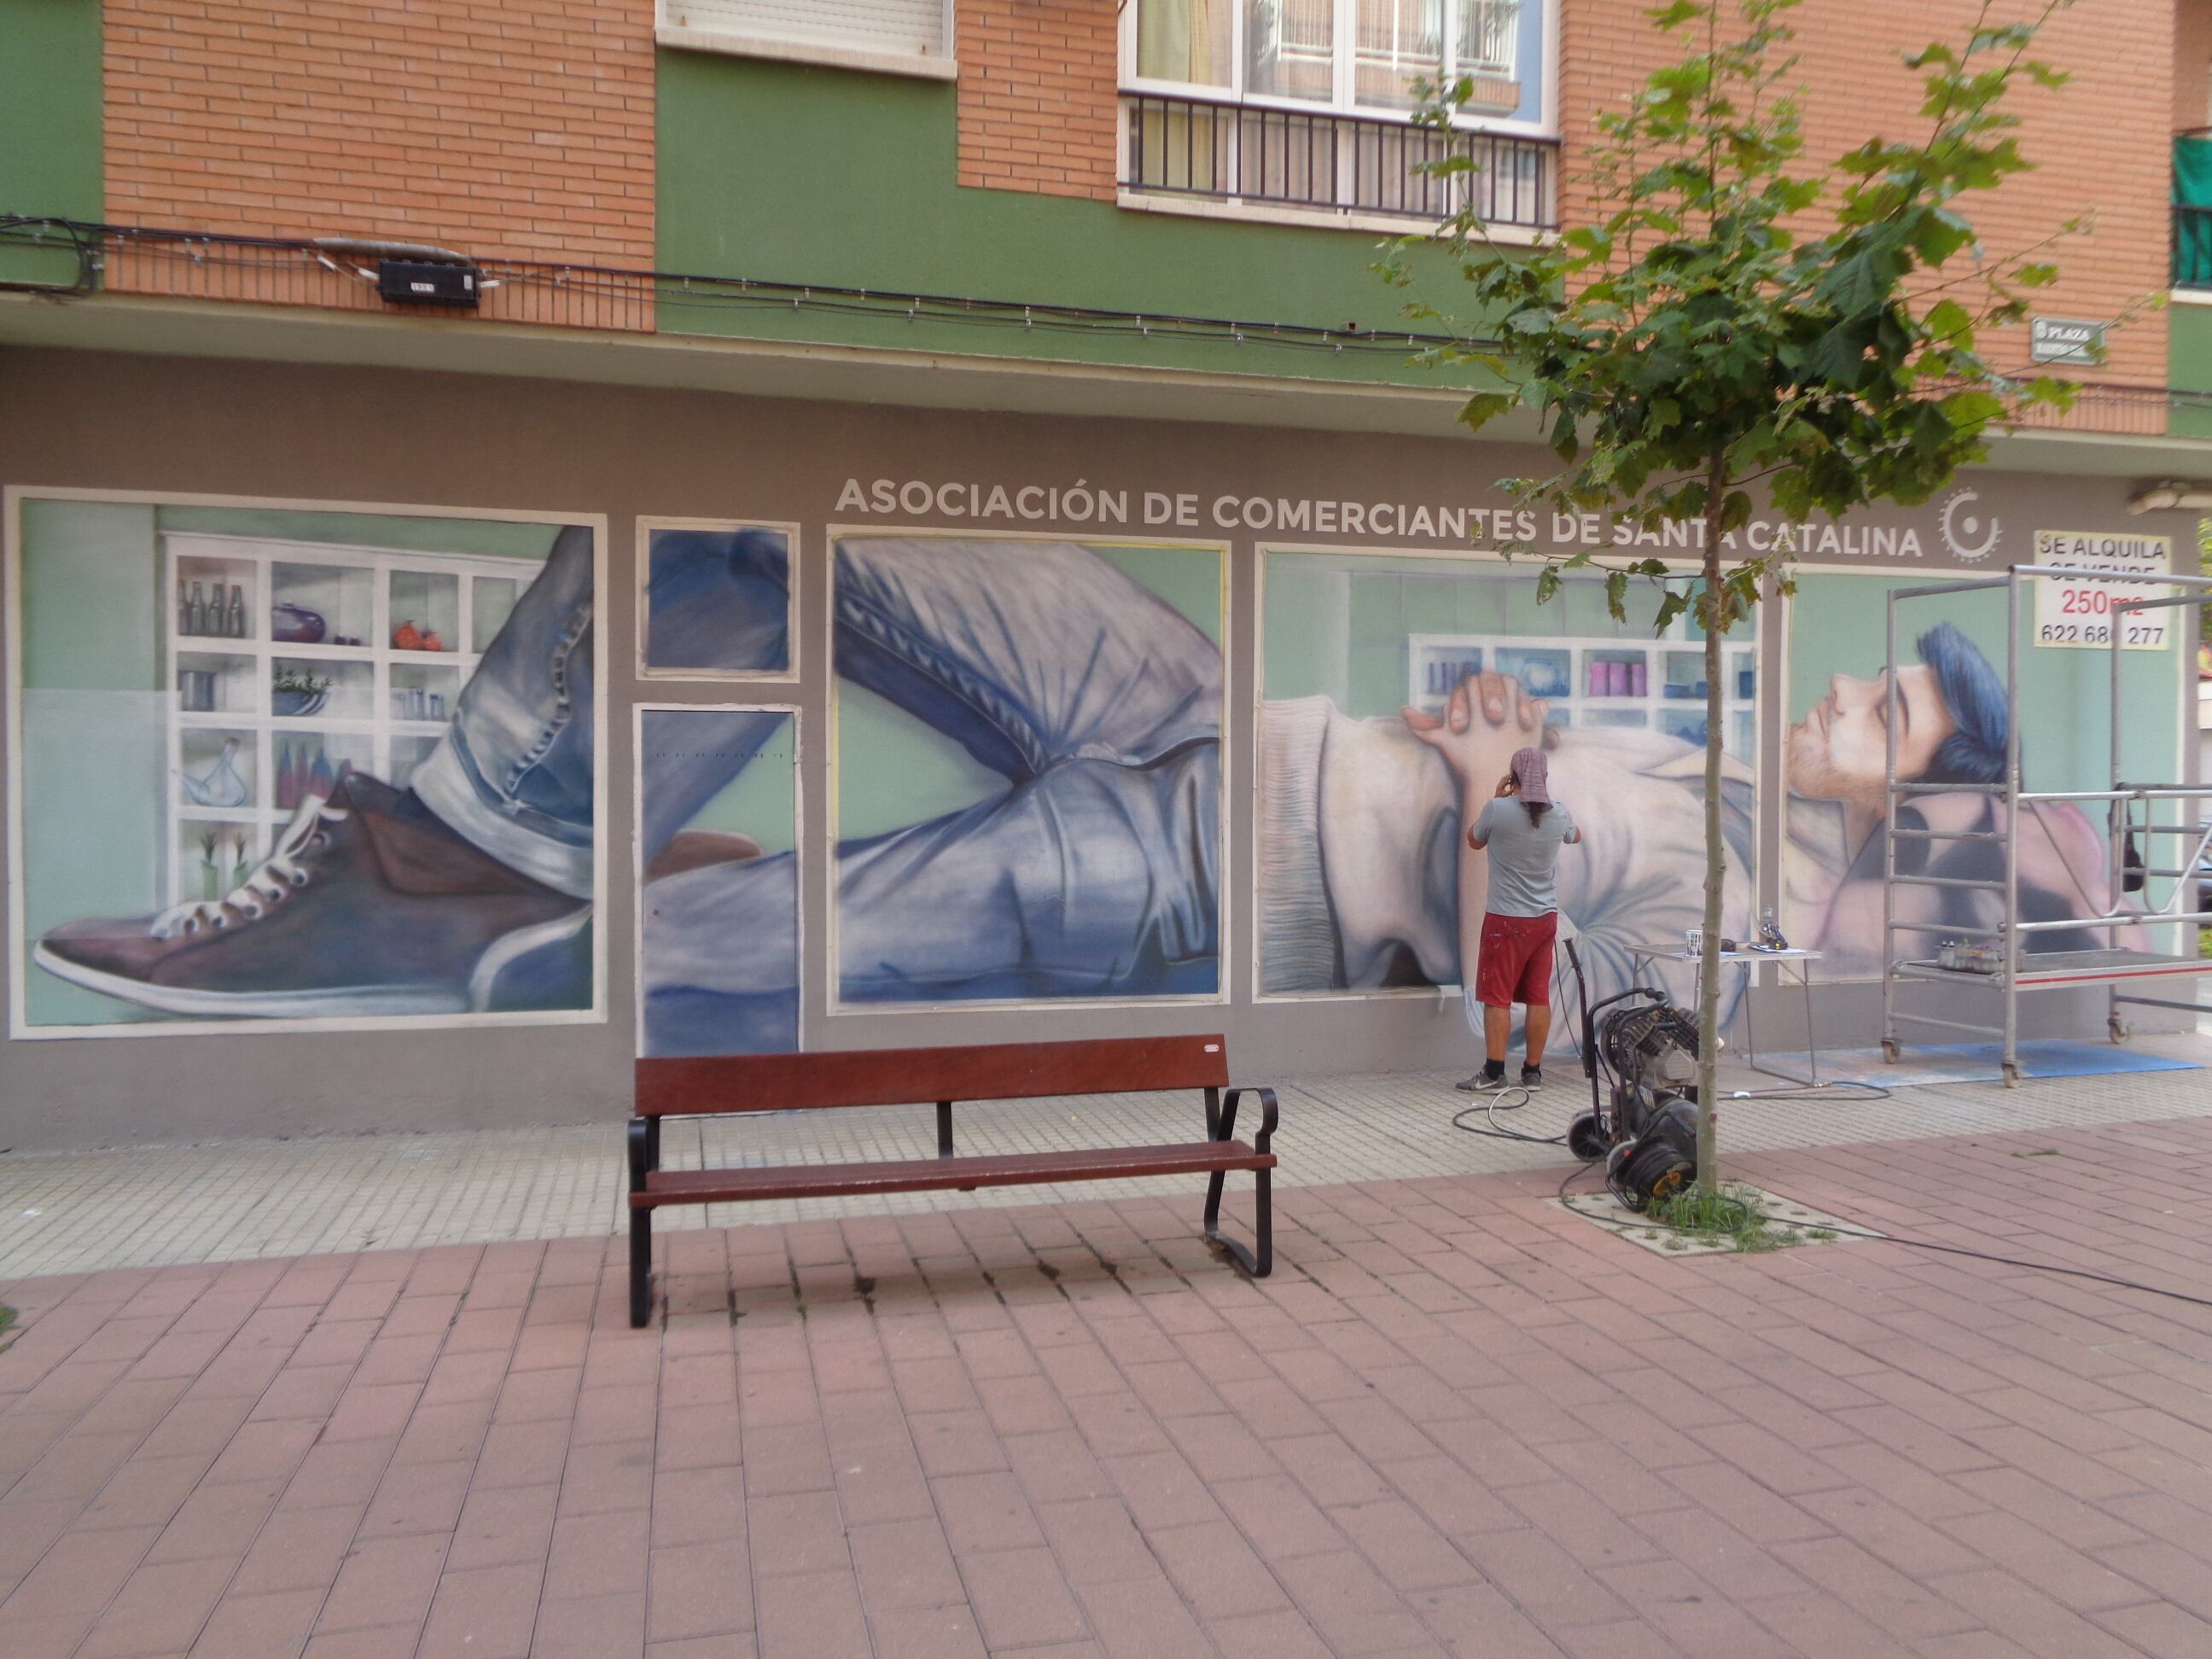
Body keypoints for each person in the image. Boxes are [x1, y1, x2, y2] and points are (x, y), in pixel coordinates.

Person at [1455, 745, 1580, 1092]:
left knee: (1498, 997)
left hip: (1506, 920)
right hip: (1545, 920)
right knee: (1538, 996)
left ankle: (1495, 1073)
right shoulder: (1559, 812)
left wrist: (1497, 797)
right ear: (1543, 777)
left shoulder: (1498, 809)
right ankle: (1533, 1072)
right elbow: (1575, 835)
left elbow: (1474, 841)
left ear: (1514, 777)